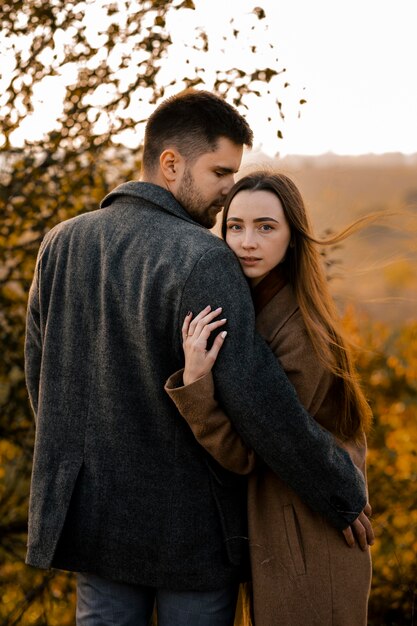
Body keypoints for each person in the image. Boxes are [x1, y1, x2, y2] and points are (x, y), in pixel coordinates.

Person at [25, 90, 371, 626]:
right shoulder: (204, 256)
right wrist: (341, 488)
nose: (227, 192)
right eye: (219, 173)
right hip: (192, 532)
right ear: (170, 164)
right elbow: (258, 398)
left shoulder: (59, 244)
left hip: (93, 521)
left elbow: (41, 379)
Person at [165, 170, 374, 625]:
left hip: (311, 541)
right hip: (286, 534)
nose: (247, 242)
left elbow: (252, 454)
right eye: (235, 226)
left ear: (292, 238)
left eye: (265, 227)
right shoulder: (255, 307)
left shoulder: (300, 329)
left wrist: (197, 385)